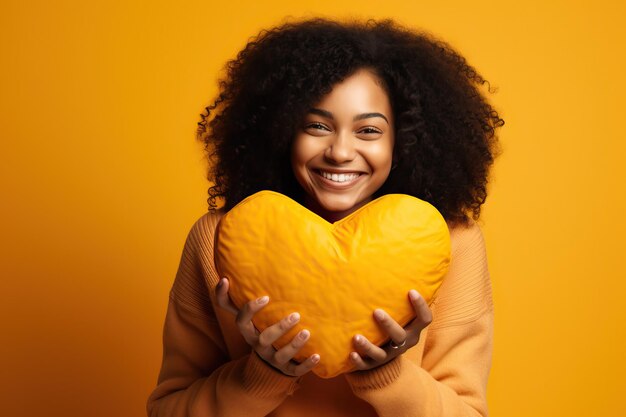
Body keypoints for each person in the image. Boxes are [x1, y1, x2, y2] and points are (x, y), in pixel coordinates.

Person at [147, 17, 503, 417]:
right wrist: (261, 374)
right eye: (317, 126)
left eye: (368, 131)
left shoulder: (452, 243)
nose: (339, 151)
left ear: (402, 142)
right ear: (282, 132)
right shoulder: (219, 238)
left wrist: (388, 374)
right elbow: (168, 410)